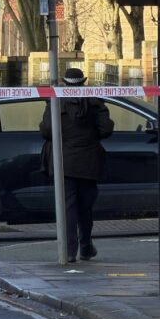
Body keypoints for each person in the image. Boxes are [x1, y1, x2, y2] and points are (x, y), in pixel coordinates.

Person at [40, 67, 114, 262]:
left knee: (68, 207)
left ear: (64, 82)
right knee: (85, 207)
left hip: (64, 160)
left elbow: (46, 130)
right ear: (83, 82)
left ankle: (69, 251)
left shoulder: (56, 100)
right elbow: (106, 129)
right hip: (89, 161)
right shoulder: (95, 100)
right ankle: (86, 246)